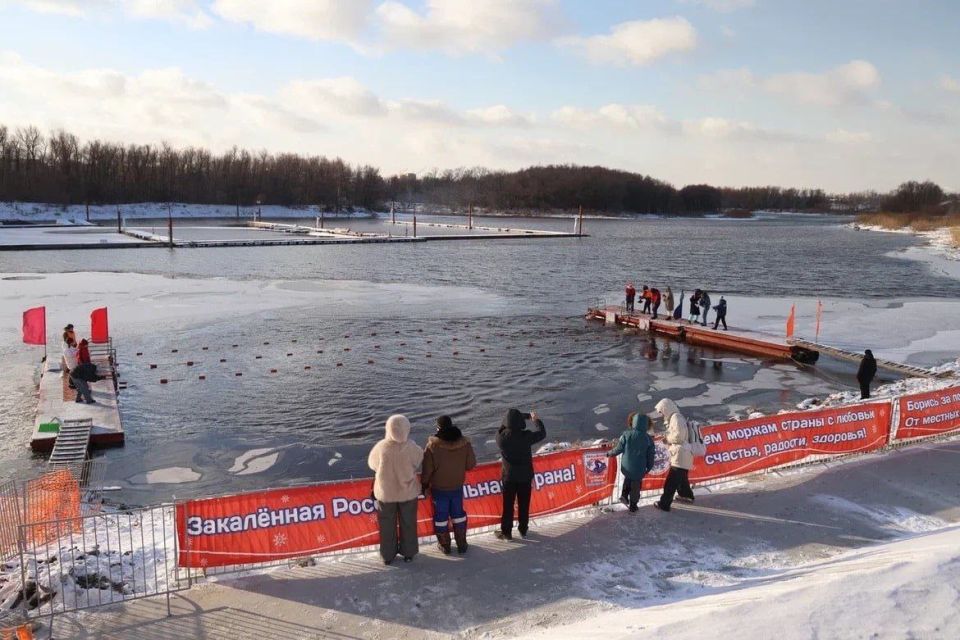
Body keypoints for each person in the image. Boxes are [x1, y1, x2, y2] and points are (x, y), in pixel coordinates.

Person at [367, 415, 424, 565]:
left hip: (385, 493)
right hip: (408, 492)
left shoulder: (381, 447)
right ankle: (409, 553)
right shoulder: (411, 447)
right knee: (408, 523)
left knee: (387, 525)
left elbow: (372, 464)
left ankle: (387, 555)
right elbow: (419, 460)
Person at [422, 415, 477, 554]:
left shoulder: (432, 446)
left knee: (441, 518)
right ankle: (462, 544)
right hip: (457, 487)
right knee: (458, 515)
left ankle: (445, 545)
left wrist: (424, 485)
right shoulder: (465, 444)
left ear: (438, 428)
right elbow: (471, 465)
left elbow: (427, 470)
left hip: (439, 489)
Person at [495, 409, 546, 540]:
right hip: (525, 477)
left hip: (509, 477)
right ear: (520, 423)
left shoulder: (500, 438)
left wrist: (520, 417)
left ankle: (506, 533)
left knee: (508, 506)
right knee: (524, 505)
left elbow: (503, 425)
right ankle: (523, 529)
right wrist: (534, 419)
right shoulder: (526, 436)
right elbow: (542, 433)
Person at [606, 412, 655, 512]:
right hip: (640, 467)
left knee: (628, 478)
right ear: (646, 424)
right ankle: (633, 505)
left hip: (627, 466)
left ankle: (624, 495)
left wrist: (609, 453)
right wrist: (649, 467)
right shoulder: (648, 439)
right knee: (636, 486)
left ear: (633, 422)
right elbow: (650, 455)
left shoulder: (626, 435)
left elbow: (618, 449)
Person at [653, 398, 695, 511]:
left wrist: (667, 439)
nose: (661, 415)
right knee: (681, 478)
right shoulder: (675, 418)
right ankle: (686, 495)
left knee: (671, 482)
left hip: (680, 455)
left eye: (661, 412)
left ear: (666, 408)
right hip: (682, 454)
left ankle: (664, 504)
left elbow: (678, 436)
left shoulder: (676, 418)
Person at [63, 338, 94, 404]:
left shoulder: (75, 348)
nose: (74, 342)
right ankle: (88, 399)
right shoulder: (68, 350)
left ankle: (79, 398)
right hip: (74, 366)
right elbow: (76, 356)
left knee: (81, 384)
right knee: (83, 384)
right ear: (70, 343)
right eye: (73, 341)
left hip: (77, 367)